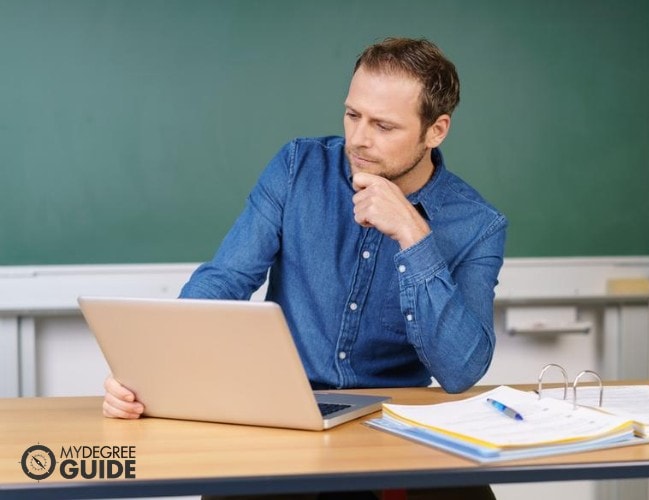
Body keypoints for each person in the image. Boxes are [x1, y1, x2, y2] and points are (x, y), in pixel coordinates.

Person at [103, 37, 506, 499]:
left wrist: (414, 237)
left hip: (394, 426)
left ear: (436, 130)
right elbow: (225, 280)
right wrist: (151, 369)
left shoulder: (478, 224)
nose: (358, 139)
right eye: (353, 115)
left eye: (384, 126)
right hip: (283, 413)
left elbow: (461, 370)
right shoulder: (297, 168)